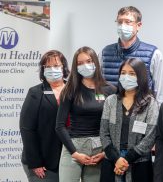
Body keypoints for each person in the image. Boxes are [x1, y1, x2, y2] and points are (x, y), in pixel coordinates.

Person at [56, 46, 116, 181]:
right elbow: (59, 126)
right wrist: (75, 153)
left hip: (98, 150)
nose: (85, 65)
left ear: (95, 61)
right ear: (75, 67)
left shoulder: (110, 90)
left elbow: (114, 126)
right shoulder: (70, 90)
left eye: (89, 61)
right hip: (73, 148)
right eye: (80, 63)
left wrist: (105, 152)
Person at [100, 58, 159, 182]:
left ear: (141, 76)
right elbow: (104, 133)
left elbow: (150, 136)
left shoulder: (150, 103)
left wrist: (126, 160)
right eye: (123, 73)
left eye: (132, 74)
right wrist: (117, 159)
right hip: (112, 160)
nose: (126, 77)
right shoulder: (111, 101)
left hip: (139, 162)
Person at [100, 6, 163, 104]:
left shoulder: (153, 54)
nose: (122, 25)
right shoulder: (104, 53)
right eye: (119, 22)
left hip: (141, 113)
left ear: (138, 25)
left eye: (128, 22)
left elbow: (161, 94)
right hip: (111, 113)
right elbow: (97, 88)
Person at [20, 50, 70, 181]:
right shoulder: (35, 93)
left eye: (56, 65)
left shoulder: (73, 90)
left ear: (63, 67)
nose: (52, 69)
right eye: (47, 67)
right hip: (42, 162)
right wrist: (36, 162)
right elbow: (27, 129)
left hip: (69, 159)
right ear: (43, 70)